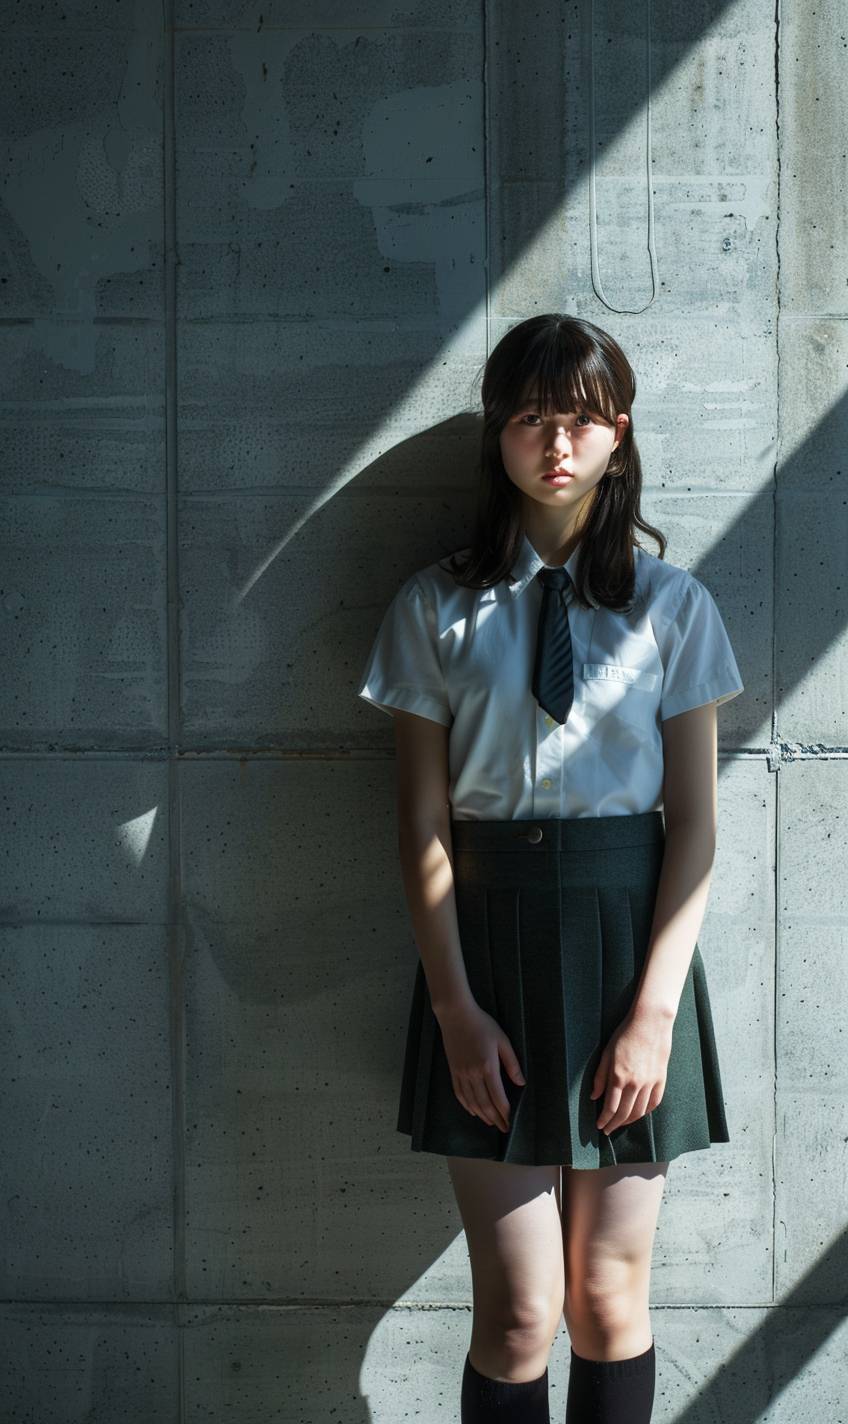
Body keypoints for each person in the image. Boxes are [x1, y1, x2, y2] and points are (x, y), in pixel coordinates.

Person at [356, 313, 744, 1424]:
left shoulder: (673, 606)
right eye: (529, 418)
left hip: (630, 945)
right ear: (498, 435)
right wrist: (453, 1008)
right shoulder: (436, 606)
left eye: (577, 418)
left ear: (616, 434)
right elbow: (420, 825)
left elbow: (695, 826)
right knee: (522, 1312)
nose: (554, 442)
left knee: (609, 1300)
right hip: (484, 953)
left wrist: (653, 1014)